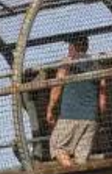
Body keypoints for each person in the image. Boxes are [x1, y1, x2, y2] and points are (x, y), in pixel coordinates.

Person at [46, 36, 107, 167]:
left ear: (74, 47)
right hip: (91, 118)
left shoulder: (67, 63)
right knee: (81, 159)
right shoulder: (97, 65)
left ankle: (70, 170)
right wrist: (99, 118)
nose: (69, 48)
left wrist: (50, 109)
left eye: (70, 45)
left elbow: (57, 87)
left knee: (57, 147)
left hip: (70, 115)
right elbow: (102, 99)